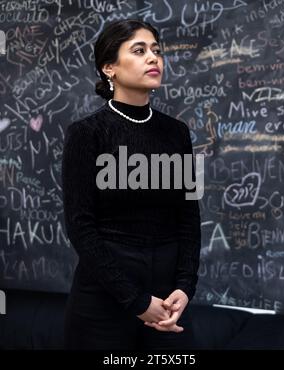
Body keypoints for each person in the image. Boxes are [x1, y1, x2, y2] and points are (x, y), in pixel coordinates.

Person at [62, 19, 201, 350]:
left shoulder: (177, 132)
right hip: (103, 303)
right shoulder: (86, 133)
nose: (153, 58)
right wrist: (136, 301)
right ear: (109, 67)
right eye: (139, 51)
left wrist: (185, 286)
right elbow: (81, 227)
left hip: (168, 304)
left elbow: (189, 216)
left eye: (156, 50)